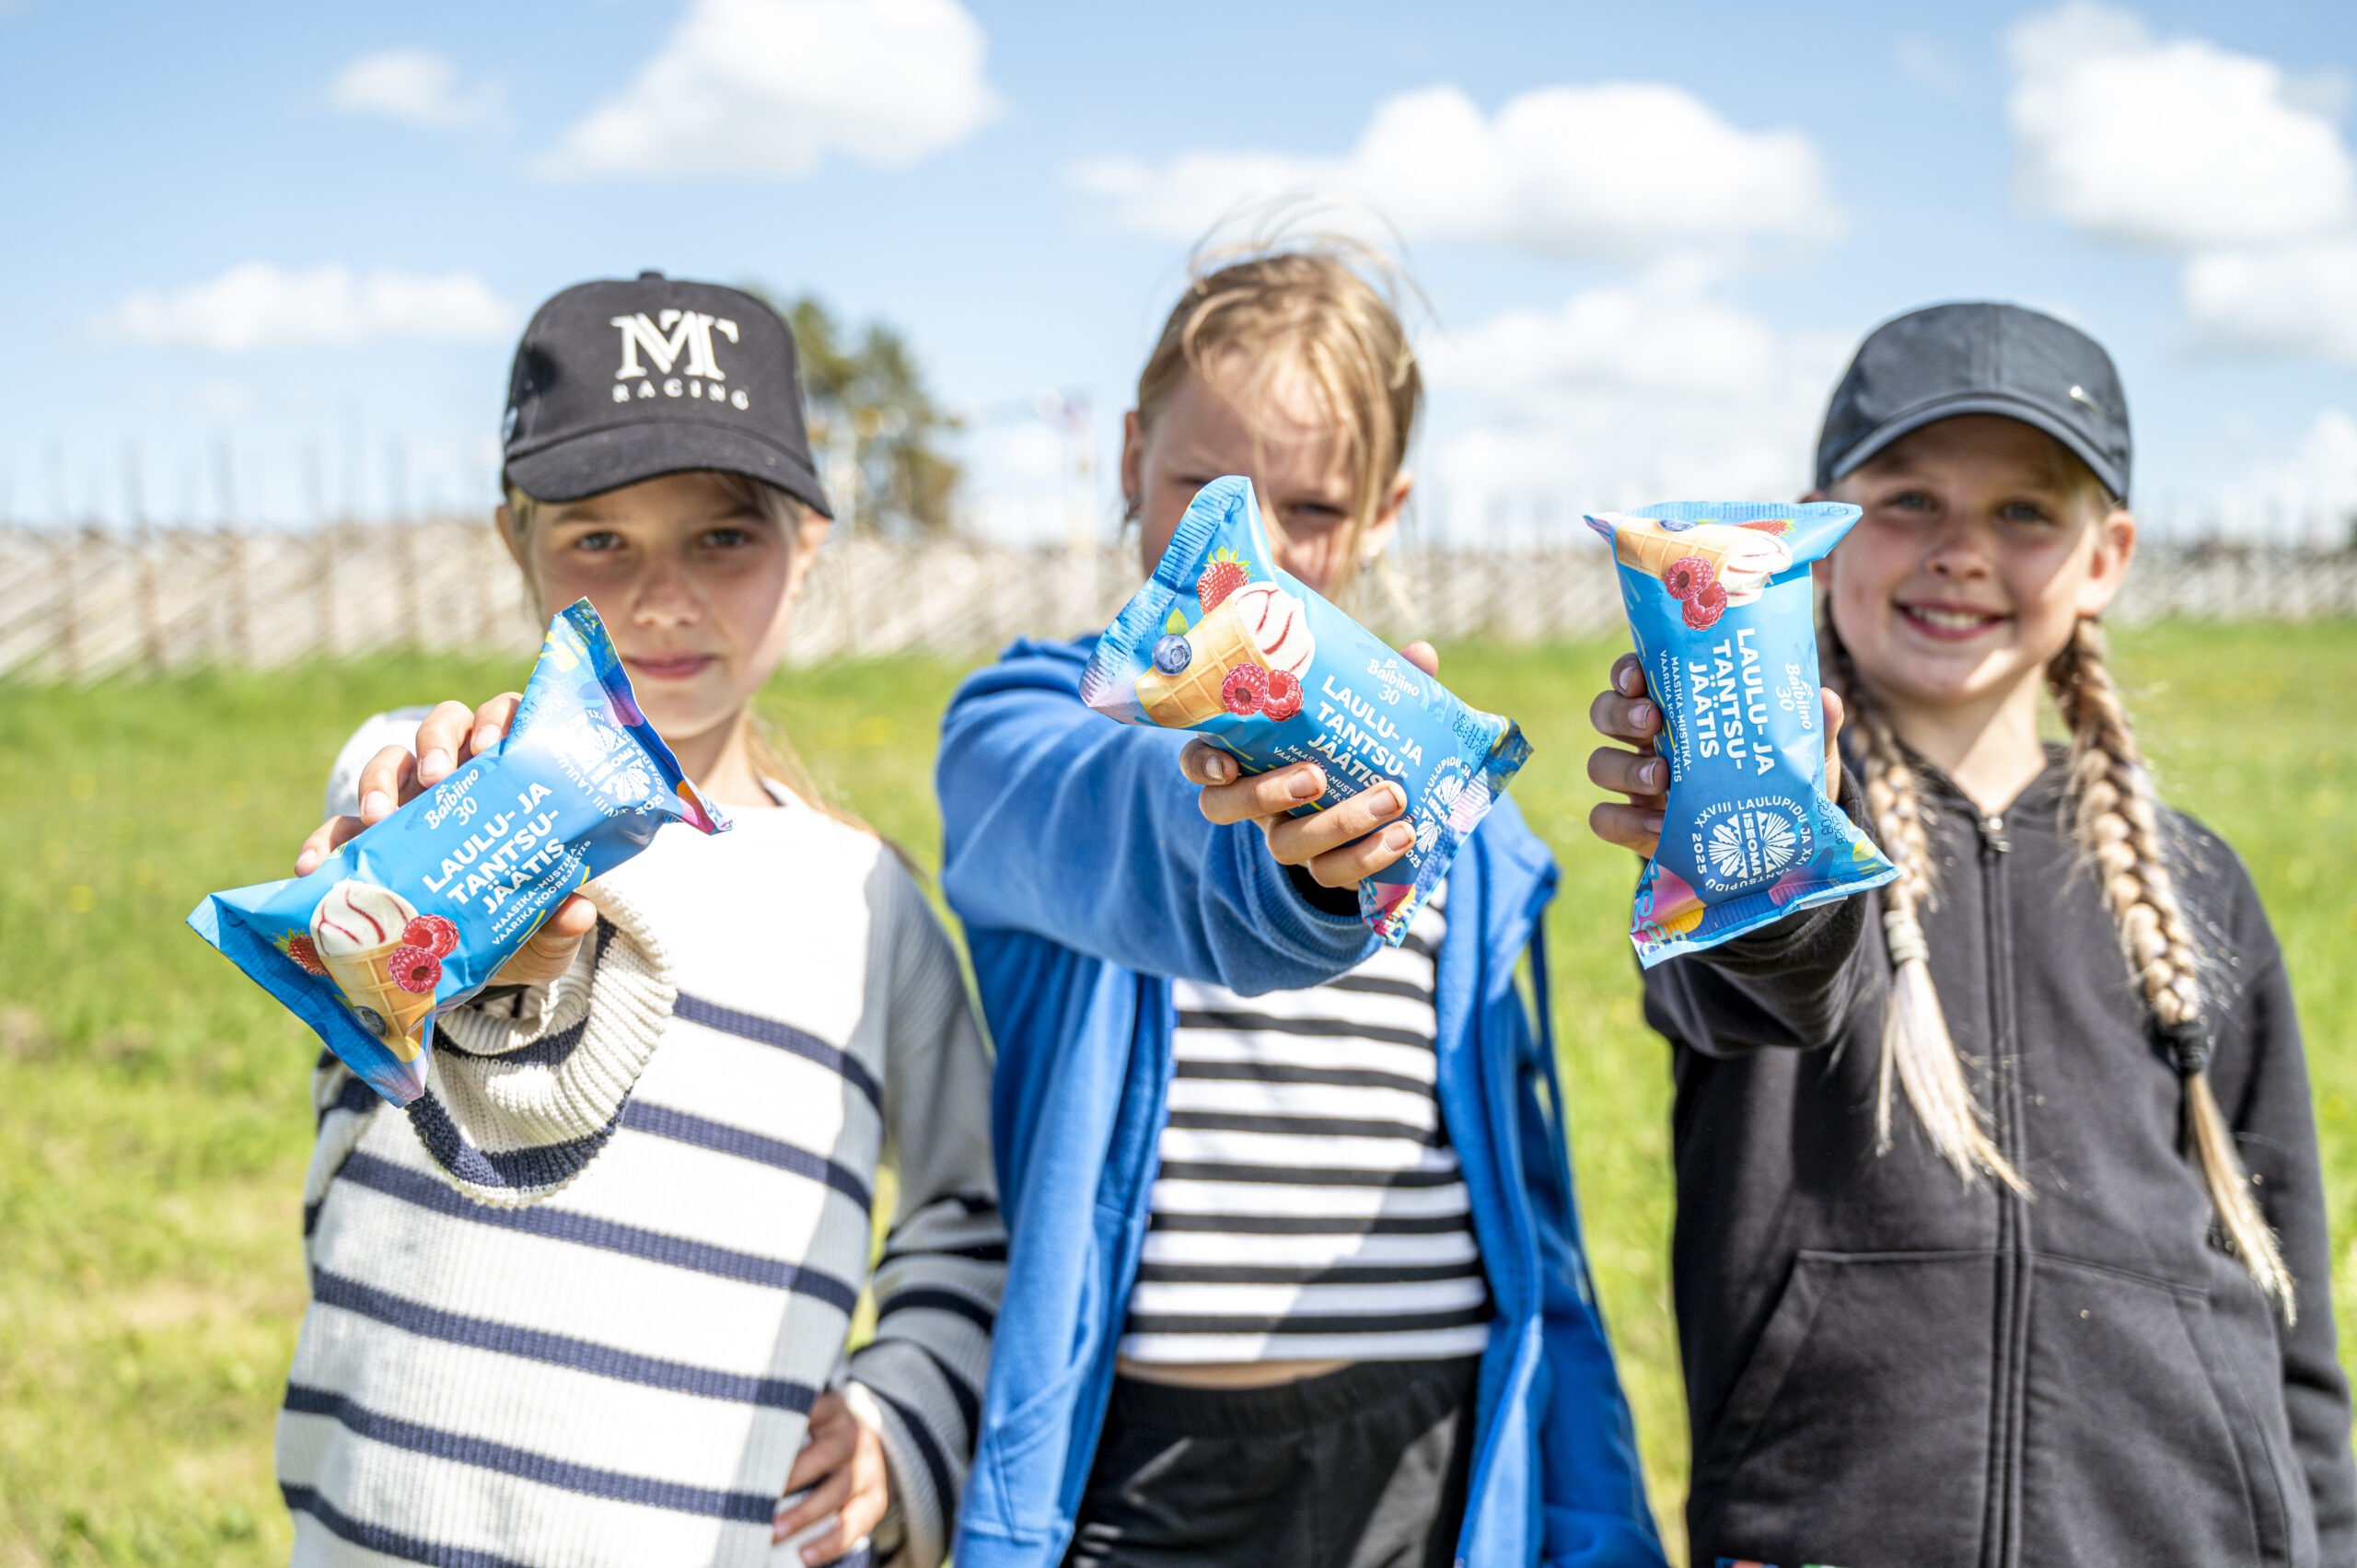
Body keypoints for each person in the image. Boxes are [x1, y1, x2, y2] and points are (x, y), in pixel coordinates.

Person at [1585, 301, 2357, 1566]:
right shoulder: (1771, 836)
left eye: (2023, 513)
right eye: (1908, 501)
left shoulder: (2198, 882)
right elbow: (1768, 984)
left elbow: (2296, 1334)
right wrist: (1747, 839)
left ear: (2107, 555)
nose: (1960, 552)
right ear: (1820, 531)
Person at [939, 242, 1666, 1568]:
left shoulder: (1466, 817)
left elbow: (1529, 1203)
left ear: (1386, 510)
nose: (1253, 560)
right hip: (1149, 1460)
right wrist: (1289, 866)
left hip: (1427, 1450)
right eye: (1204, 492)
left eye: (1314, 509)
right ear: (1122, 460)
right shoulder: (1018, 734)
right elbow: (1141, 830)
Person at [275, 274, 1004, 1568]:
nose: (663, 598)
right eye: (599, 539)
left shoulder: (868, 903)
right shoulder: (420, 790)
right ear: (516, 544)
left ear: (811, 547)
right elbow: (477, 1061)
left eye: (725, 537)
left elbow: (970, 1214)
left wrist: (901, 1414)